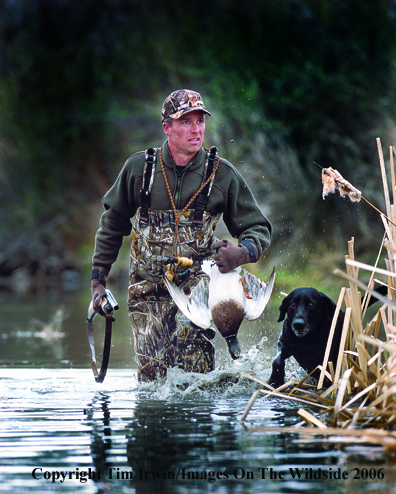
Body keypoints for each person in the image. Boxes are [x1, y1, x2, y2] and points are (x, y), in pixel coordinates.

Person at [91, 89, 272, 382]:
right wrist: (97, 281)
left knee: (195, 382)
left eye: (200, 121)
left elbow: (258, 228)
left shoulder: (222, 174)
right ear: (167, 127)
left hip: (197, 290)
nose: (196, 129)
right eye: (186, 121)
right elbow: (112, 223)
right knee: (152, 385)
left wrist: (242, 252)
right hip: (146, 292)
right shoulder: (140, 170)